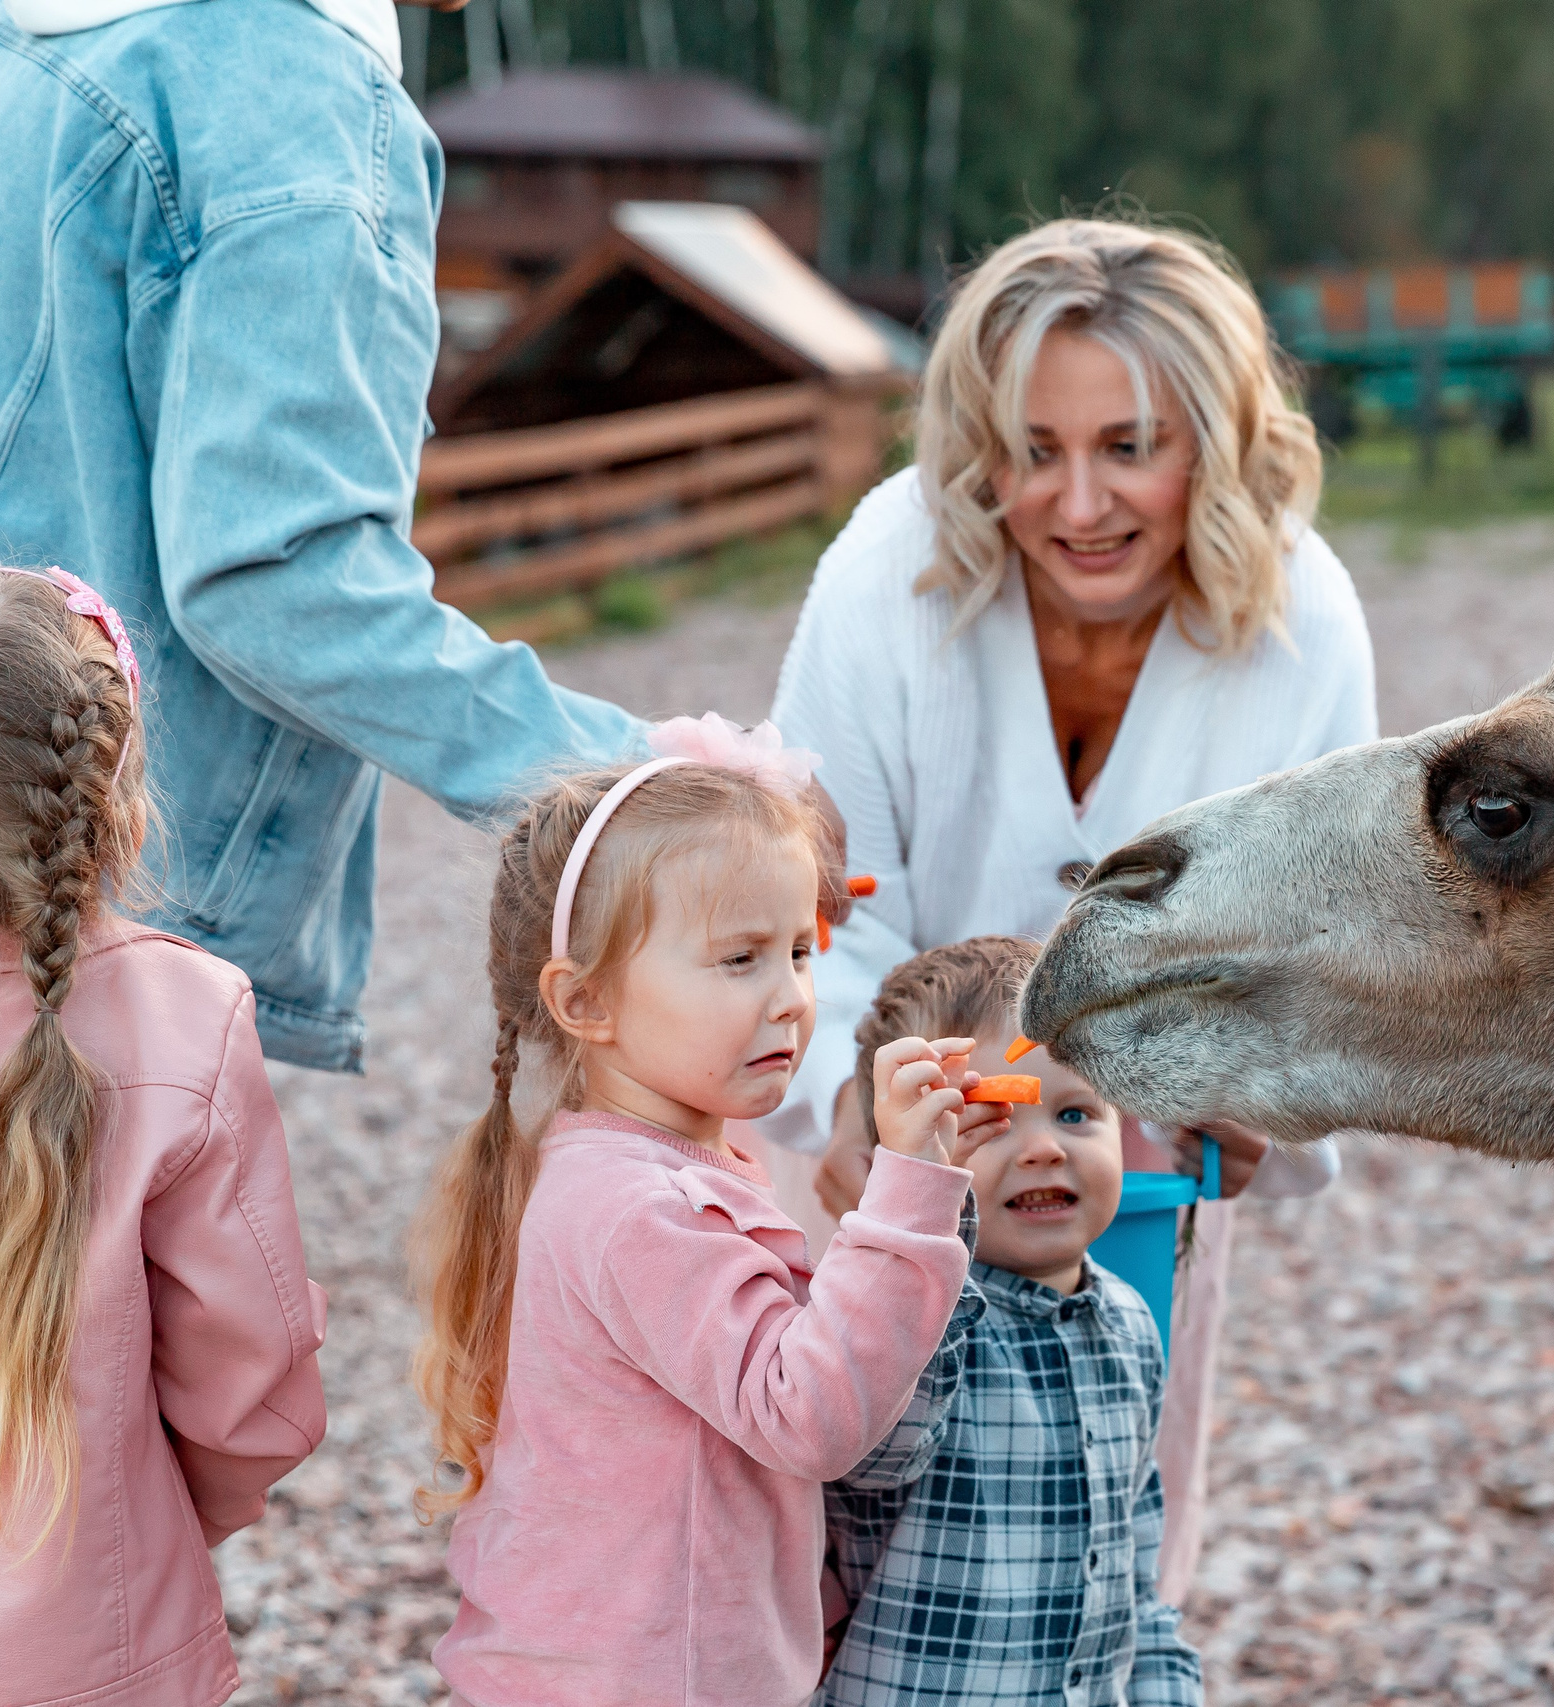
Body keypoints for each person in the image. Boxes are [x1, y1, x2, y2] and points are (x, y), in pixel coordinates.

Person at [762, 216, 1378, 1601]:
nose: (1080, 504)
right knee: (831, 1561)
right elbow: (816, 903)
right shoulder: (886, 571)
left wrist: (1261, 1101)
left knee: (1105, 1561)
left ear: (1213, 445)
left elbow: (1325, 956)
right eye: (1036, 451)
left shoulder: (1309, 623)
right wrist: (870, 1113)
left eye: (1130, 447)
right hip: (878, 1173)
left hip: (1130, 1189)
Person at [0, 0, 644, 1073]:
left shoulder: (37, 50)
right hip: (125, 912)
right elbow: (278, 577)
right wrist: (641, 779)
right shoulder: (281, 92)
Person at [408, 720, 996, 1707]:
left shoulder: (646, 1163)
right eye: (739, 960)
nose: (791, 999)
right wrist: (907, 1191)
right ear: (586, 1002)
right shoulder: (642, 1207)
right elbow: (807, 1418)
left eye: (801, 953)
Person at [0, 568, 327, 1707]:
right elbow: (256, 1391)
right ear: (111, 788)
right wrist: (167, 1516)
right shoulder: (185, 1018)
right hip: (93, 1649)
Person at [821, 936, 1201, 1706]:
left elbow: (1135, 1568)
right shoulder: (896, 1317)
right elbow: (872, 1457)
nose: (1042, 1149)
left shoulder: (1130, 1324)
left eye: (1075, 1112)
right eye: (988, 1122)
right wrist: (926, 1219)